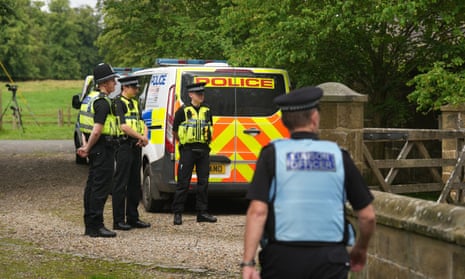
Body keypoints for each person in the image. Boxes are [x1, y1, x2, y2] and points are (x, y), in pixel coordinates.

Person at [241, 86, 376, 278]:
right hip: (330, 259)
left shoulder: (272, 154)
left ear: (284, 122)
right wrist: (360, 249)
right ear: (314, 118)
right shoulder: (339, 156)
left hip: (282, 259)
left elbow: (257, 211)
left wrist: (248, 263)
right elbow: (367, 216)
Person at [77, 63, 120, 238]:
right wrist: (87, 147)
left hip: (96, 148)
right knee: (100, 187)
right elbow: (97, 129)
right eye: (113, 81)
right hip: (102, 147)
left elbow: (83, 126)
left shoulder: (89, 98)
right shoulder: (102, 102)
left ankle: (90, 225)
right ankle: (97, 225)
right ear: (105, 83)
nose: (115, 84)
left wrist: (86, 145)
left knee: (92, 186)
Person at [171, 82, 217, 225]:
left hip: (203, 150)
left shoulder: (207, 110)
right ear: (191, 95)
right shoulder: (182, 111)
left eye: (202, 93)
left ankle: (202, 212)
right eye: (198, 94)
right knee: (183, 182)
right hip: (188, 150)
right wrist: (184, 143)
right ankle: (178, 213)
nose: (201, 96)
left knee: (203, 182)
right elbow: (175, 131)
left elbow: (209, 128)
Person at [112, 75, 151, 230]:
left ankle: (133, 218)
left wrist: (144, 137)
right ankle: (118, 220)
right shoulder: (117, 103)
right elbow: (123, 126)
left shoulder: (135, 103)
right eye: (134, 88)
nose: (136, 90)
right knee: (121, 183)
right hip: (123, 146)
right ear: (125, 88)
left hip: (136, 145)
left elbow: (142, 122)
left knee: (135, 183)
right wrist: (140, 136)